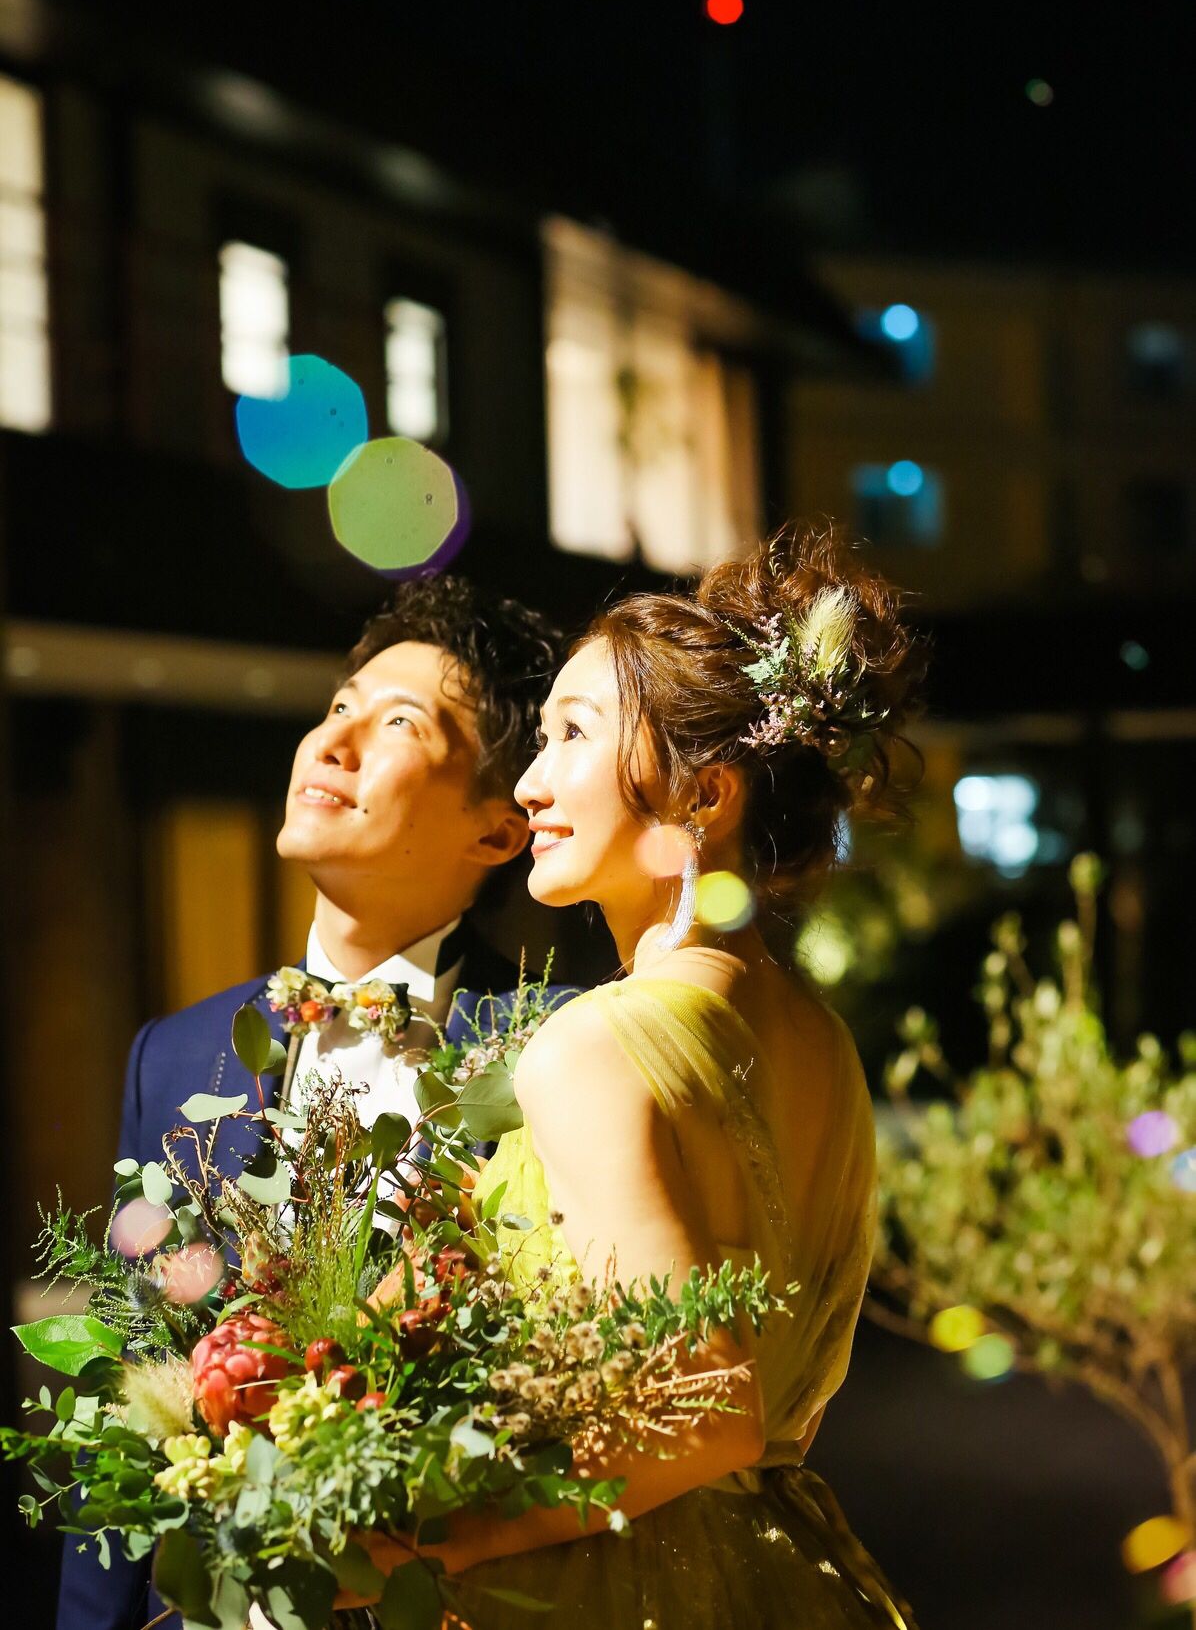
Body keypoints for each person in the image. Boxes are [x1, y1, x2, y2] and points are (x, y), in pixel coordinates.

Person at [349, 524, 925, 1627]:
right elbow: (774, 1413)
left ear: (704, 794)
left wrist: (427, 1543)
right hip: (783, 1571)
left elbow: (702, 1409)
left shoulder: (595, 1043)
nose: (529, 784)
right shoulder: (822, 1042)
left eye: (572, 733)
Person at [57, 574, 571, 1630]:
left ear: (496, 829)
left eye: (396, 723)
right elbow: (128, 1383)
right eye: (337, 706)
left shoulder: (556, 1048)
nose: (331, 742)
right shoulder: (175, 1056)